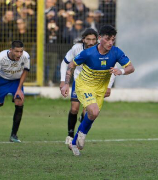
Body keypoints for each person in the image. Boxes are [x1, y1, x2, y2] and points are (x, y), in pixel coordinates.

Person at [61, 25, 135, 156]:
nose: (110, 43)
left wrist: (121, 71)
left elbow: (131, 67)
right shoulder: (88, 53)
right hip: (84, 85)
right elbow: (71, 65)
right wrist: (66, 84)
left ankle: (73, 143)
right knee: (92, 111)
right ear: (100, 38)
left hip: (100, 89)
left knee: (92, 115)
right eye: (108, 39)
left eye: (113, 39)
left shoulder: (116, 52)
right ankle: (81, 135)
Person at [60, 28, 115, 146]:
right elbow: (65, 62)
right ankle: (70, 135)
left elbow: (111, 69)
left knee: (88, 113)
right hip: (78, 81)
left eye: (93, 39)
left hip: (94, 85)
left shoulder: (103, 50)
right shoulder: (77, 49)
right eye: (88, 39)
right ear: (83, 39)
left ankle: (79, 136)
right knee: (74, 108)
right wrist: (63, 81)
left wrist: (109, 86)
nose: (91, 42)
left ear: (97, 40)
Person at [0, 40, 30, 143]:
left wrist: (19, 89)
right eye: (17, 51)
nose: (19, 54)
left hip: (16, 82)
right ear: (11, 50)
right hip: (2, 81)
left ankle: (14, 135)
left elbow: (25, 71)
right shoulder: (1, 58)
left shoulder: (26, 56)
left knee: (19, 102)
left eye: (21, 51)